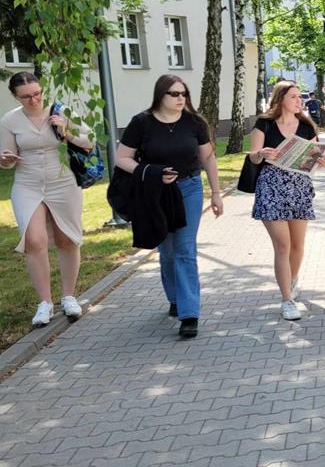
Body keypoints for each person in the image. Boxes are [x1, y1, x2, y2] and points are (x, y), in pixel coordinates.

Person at [116, 74, 223, 338]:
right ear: (160, 95)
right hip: (156, 193)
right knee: (167, 249)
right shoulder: (141, 123)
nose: (180, 99)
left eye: (183, 94)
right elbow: (122, 159)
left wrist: (217, 193)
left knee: (185, 248)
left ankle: (190, 314)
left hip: (188, 188)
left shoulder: (194, 123)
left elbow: (207, 158)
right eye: (174, 94)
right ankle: (175, 297)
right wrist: (150, 172)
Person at [1, 72, 94, 327]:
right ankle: (44, 303)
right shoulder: (10, 120)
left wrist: (66, 131)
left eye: (37, 93)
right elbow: (6, 157)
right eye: (26, 96)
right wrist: (6, 159)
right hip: (28, 184)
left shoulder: (60, 111)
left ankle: (68, 297)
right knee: (33, 240)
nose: (34, 100)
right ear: (15, 97)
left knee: (67, 238)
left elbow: (89, 141)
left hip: (63, 182)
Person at [250, 81, 324, 321]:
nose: (298, 101)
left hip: (299, 187)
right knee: (282, 246)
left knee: (297, 246)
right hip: (271, 187)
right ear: (281, 98)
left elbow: (314, 155)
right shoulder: (264, 123)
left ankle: (292, 280)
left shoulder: (305, 125)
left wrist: (321, 160)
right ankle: (287, 300)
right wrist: (260, 154)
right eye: (293, 97)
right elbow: (252, 156)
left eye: (299, 97)